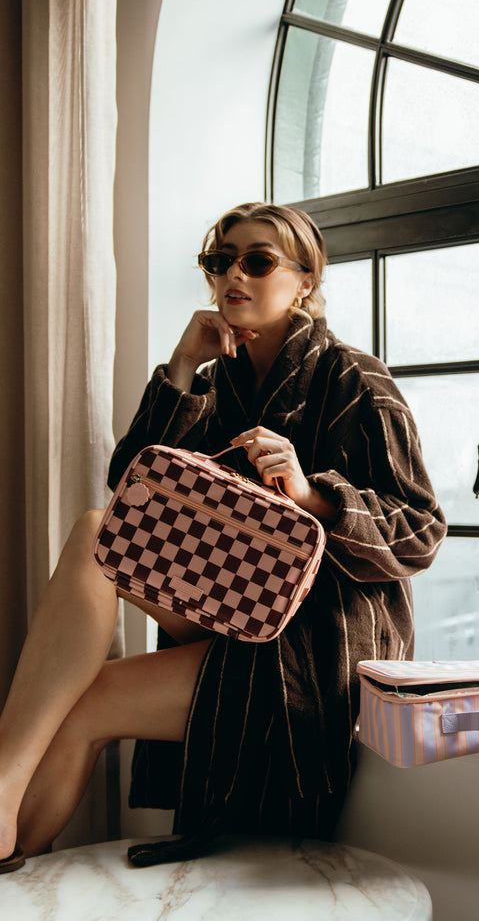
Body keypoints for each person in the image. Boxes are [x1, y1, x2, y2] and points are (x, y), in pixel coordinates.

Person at [0, 202, 446, 872]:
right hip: (229, 605)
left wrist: (311, 495)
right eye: (220, 261)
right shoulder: (215, 384)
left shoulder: (354, 378)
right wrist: (181, 366)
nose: (234, 275)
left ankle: (9, 837)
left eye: (257, 261)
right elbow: (132, 497)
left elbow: (422, 530)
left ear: (305, 281)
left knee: (89, 700)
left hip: (311, 638)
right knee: (99, 532)